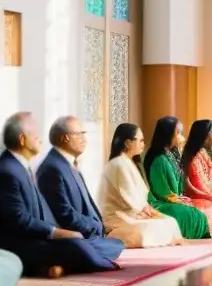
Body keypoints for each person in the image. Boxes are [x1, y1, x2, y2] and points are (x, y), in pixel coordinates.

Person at [0, 112, 123, 276]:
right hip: (22, 243)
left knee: (104, 244)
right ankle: (53, 265)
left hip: (39, 237)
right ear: (22, 139)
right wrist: (56, 232)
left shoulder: (19, 166)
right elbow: (18, 219)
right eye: (35, 135)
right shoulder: (8, 170)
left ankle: (59, 264)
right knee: (76, 245)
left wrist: (59, 232)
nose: (41, 139)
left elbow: (41, 211)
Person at [100, 123, 184, 248]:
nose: (143, 144)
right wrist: (145, 211)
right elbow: (129, 198)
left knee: (170, 221)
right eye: (140, 140)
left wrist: (148, 211)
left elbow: (140, 198)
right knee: (149, 228)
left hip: (134, 214)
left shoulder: (131, 163)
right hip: (119, 218)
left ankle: (164, 239)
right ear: (128, 143)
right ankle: (114, 235)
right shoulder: (119, 165)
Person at [143, 117, 212, 239]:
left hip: (175, 200)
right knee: (188, 214)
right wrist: (178, 199)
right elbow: (162, 191)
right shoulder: (159, 160)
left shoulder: (172, 154)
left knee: (197, 211)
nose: (181, 137)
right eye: (178, 133)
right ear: (168, 134)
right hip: (162, 203)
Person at [36, 116, 105, 239]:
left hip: (91, 234)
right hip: (73, 240)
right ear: (65, 138)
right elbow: (64, 215)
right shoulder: (52, 168)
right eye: (79, 134)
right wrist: (95, 227)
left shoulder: (67, 164)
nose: (84, 139)